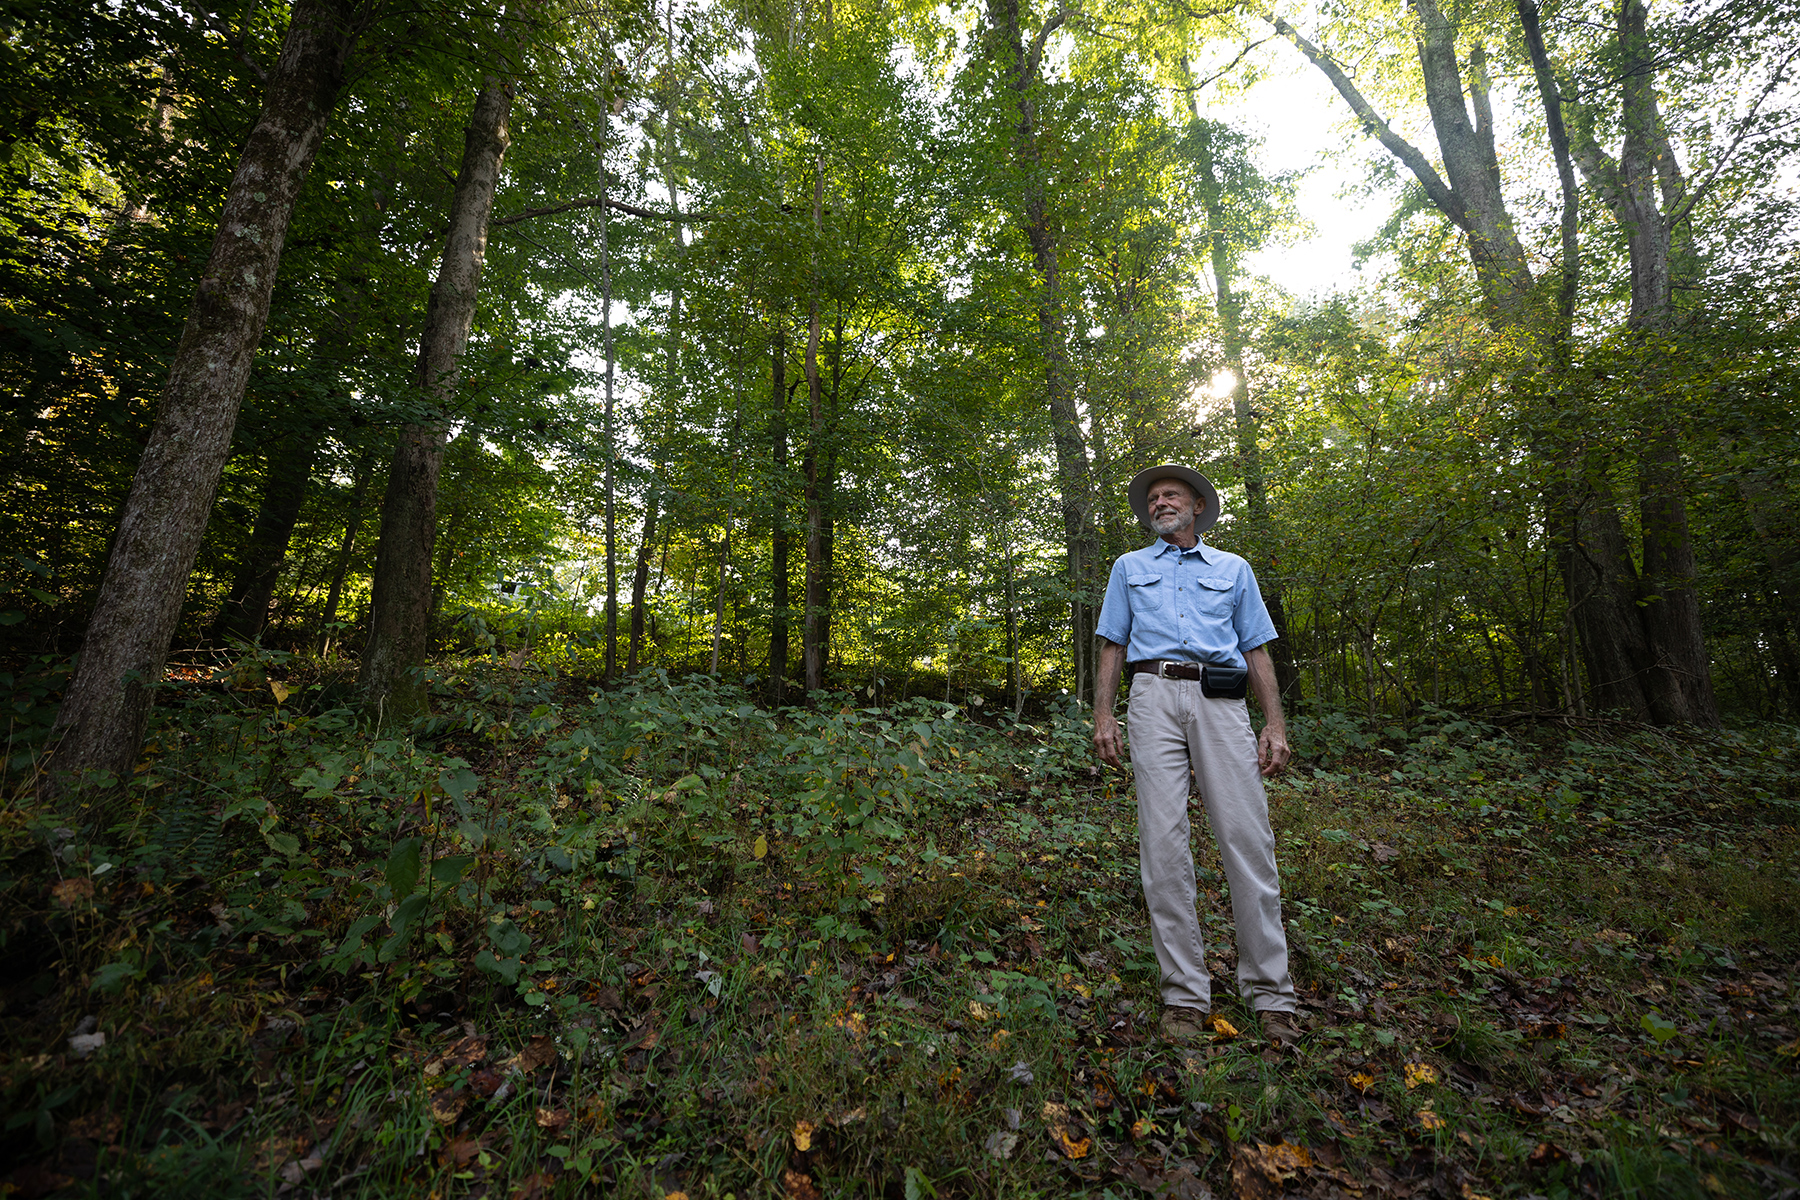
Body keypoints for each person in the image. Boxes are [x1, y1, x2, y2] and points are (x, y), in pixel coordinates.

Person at [1091, 463, 1301, 1051]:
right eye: (1153, 498)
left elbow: (1257, 649)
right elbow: (1112, 643)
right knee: (1163, 844)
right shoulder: (1129, 568)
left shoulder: (1233, 569)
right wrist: (1104, 714)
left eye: (1171, 495)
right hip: (1152, 697)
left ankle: (1270, 993)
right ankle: (1184, 994)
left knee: (1246, 837)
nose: (1160, 503)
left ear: (1197, 508)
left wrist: (1275, 725)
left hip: (1220, 699)